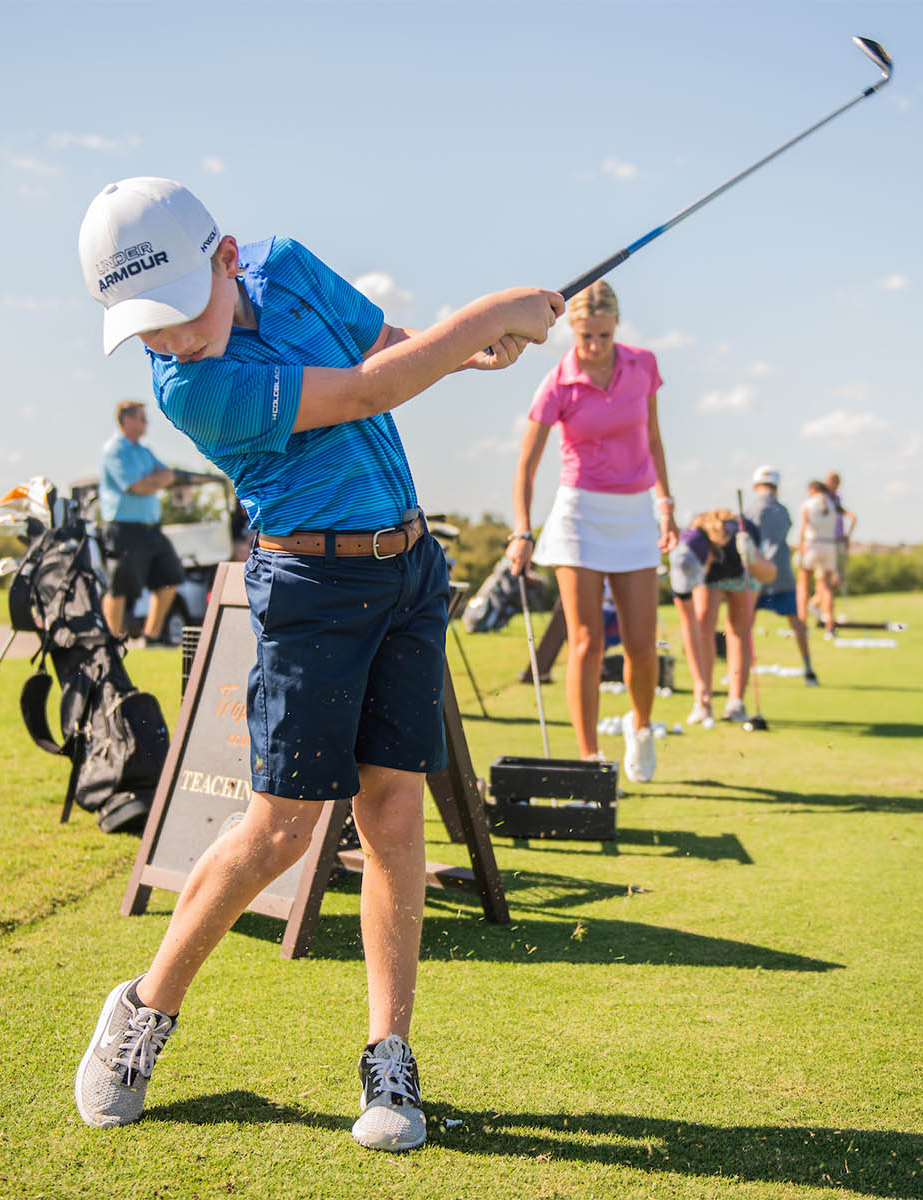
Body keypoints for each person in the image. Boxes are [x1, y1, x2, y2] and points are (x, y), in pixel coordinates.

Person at [69, 176, 562, 1153]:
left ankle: (390, 1056)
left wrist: (475, 350)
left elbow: (387, 351)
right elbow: (370, 392)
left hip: (411, 571)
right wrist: (488, 314)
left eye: (178, 312)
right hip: (312, 589)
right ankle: (143, 1009)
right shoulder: (193, 389)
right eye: (147, 327)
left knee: (394, 815)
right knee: (281, 830)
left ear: (227, 258)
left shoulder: (287, 266)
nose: (170, 341)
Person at [507, 281, 675, 783]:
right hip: (580, 514)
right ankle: (589, 758)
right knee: (586, 642)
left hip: (635, 513)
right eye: (586, 336)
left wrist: (666, 504)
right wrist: (522, 530)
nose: (595, 345)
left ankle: (640, 727)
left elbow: (654, 438)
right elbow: (526, 467)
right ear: (573, 331)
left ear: (616, 327)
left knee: (641, 644)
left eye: (604, 335)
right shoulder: (558, 382)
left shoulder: (643, 366)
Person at [667, 507, 774, 725]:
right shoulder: (685, 555)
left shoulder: (743, 534)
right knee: (703, 627)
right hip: (712, 573)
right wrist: (700, 686)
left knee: (738, 630)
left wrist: (752, 557)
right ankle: (702, 701)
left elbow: (770, 574)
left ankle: (736, 702)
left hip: (741, 566)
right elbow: (689, 625)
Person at [98, 399, 191, 646]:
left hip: (152, 530)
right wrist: (153, 482)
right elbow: (136, 486)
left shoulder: (144, 451)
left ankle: (151, 637)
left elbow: (167, 475)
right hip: (123, 529)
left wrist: (152, 482)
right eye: (142, 418)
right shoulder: (114, 450)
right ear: (127, 420)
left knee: (170, 579)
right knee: (119, 588)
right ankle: (111, 642)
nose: (146, 422)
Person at [740, 466, 817, 685]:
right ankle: (809, 671)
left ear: (756, 485)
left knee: (744, 625)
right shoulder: (783, 510)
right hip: (782, 570)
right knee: (796, 622)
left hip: (757, 571)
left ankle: (738, 672)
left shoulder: (750, 510)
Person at [799, 479, 845, 638]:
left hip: (812, 544)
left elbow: (803, 527)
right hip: (829, 546)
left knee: (803, 585)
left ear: (812, 490)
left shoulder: (808, 504)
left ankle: (802, 626)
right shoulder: (833, 505)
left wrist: (800, 546)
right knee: (827, 587)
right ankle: (829, 628)